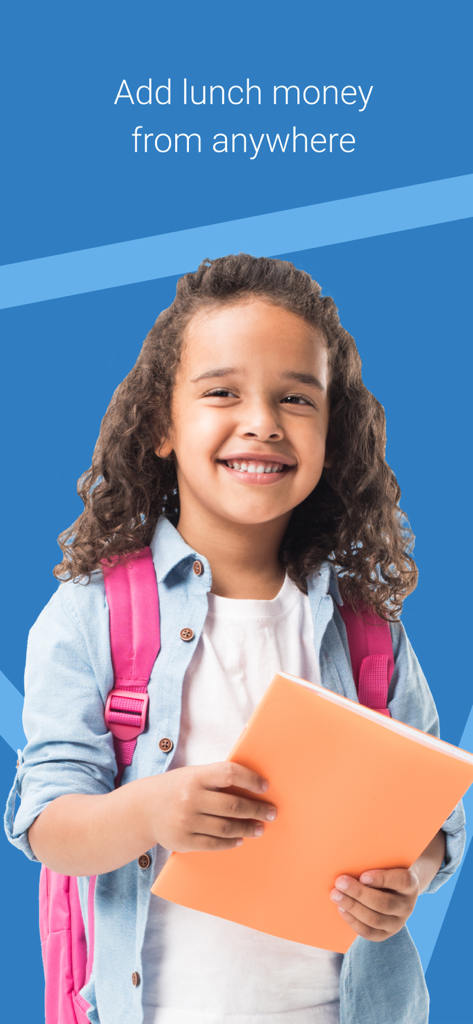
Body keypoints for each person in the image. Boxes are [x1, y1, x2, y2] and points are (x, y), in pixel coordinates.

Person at [5, 254, 465, 1024]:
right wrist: (147, 813)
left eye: (295, 397)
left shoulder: (364, 625)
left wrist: (407, 881)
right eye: (223, 392)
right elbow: (47, 823)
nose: (262, 421)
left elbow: (432, 819)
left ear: (331, 434)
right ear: (160, 425)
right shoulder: (90, 615)